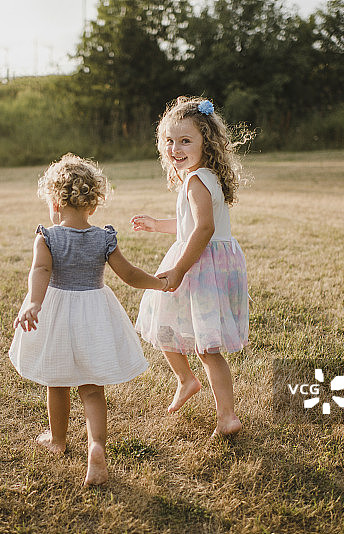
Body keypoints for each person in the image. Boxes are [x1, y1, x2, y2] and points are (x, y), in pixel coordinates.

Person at [10, 153, 167, 487]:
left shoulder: (47, 237)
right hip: (94, 313)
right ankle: (96, 446)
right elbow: (128, 274)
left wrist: (34, 303)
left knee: (58, 382)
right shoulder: (104, 238)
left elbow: (41, 270)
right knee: (92, 389)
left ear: (54, 201)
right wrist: (159, 281)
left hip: (56, 313)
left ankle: (57, 441)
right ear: (93, 205)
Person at [132, 96, 252, 438]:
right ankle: (187, 380)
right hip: (211, 261)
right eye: (170, 141)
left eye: (186, 141)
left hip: (199, 264)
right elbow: (190, 224)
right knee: (168, 322)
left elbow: (203, 229)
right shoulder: (204, 176)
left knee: (203, 344)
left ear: (206, 142)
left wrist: (181, 268)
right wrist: (157, 224)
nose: (176, 148)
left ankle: (224, 413)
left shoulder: (197, 180)